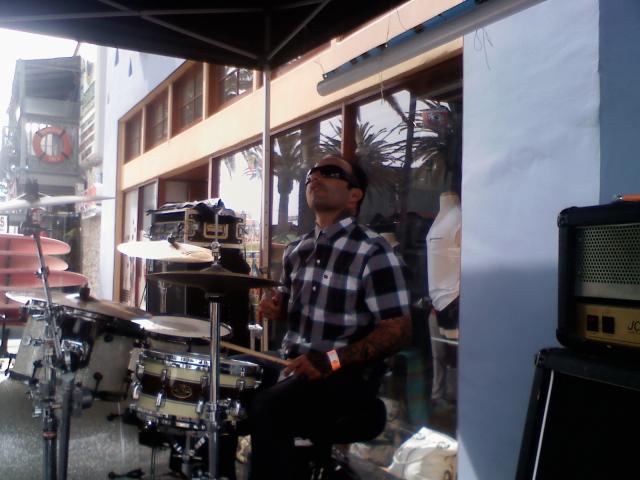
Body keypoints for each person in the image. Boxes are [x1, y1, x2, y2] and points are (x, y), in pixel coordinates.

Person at [251, 155, 412, 479]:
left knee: (268, 407)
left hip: (345, 374)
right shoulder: (297, 250)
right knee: (224, 381)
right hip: (291, 361)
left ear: (355, 195)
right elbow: (286, 304)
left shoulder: (374, 250)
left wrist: (332, 360)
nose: (315, 177)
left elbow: (398, 330)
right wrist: (276, 308)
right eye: (311, 174)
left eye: (330, 173)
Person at [425, 191, 461, 412]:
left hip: (452, 303)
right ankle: (438, 394)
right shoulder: (438, 220)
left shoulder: (459, 217)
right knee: (438, 355)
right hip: (435, 304)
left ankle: (454, 398)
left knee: (454, 355)